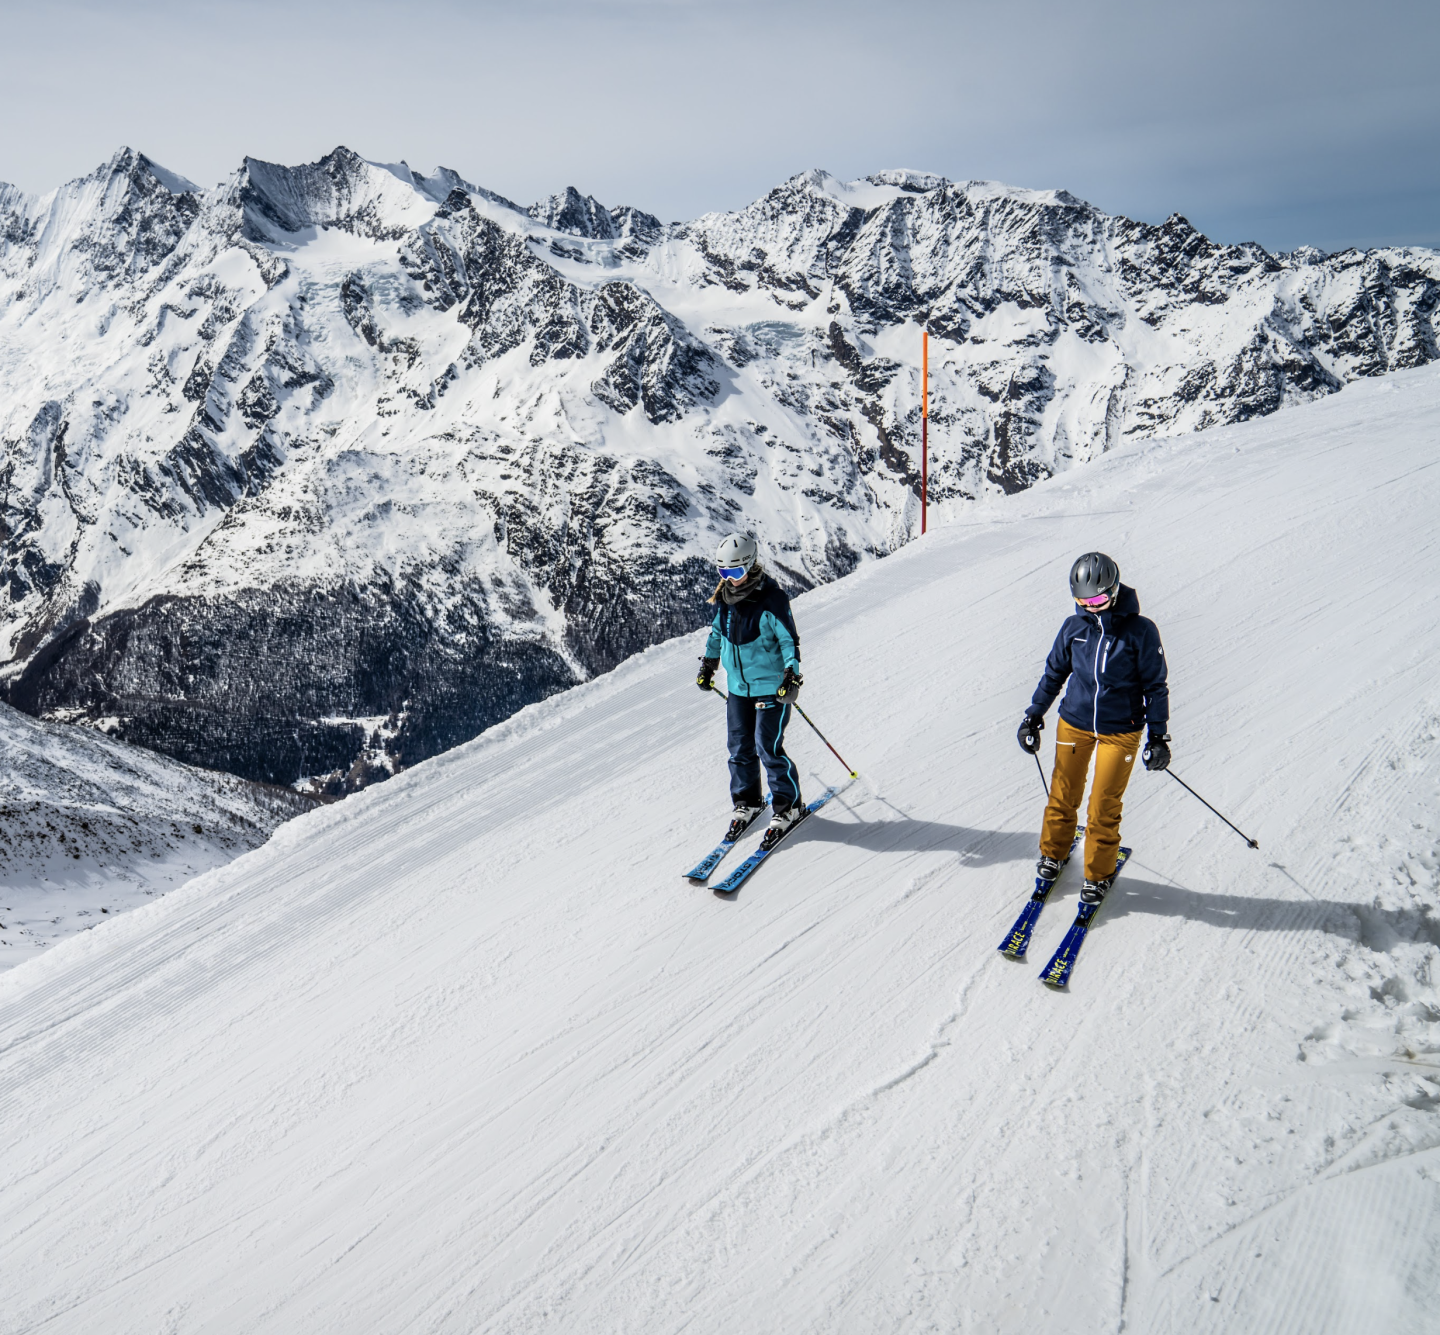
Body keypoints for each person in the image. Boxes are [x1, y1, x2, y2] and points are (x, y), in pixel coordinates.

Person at [1017, 552, 1171, 904]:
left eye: (1099, 600)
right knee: (1063, 794)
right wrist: (1034, 715)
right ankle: (1052, 854)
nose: (1093, 608)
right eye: (1083, 602)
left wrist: (1158, 736)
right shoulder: (1074, 628)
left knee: (1103, 806)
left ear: (1115, 591)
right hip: (1075, 723)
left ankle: (1098, 875)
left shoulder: (1140, 632)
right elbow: (1055, 673)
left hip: (1121, 730)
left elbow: (1155, 686)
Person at [696, 533, 806, 851]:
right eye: (723, 573)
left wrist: (792, 676)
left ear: (750, 566)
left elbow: (789, 641)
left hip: (772, 687)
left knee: (767, 747)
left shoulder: (772, 599)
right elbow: (717, 634)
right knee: (739, 746)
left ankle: (789, 807)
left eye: (735, 573)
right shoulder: (726, 602)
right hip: (738, 689)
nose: (729, 580)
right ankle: (748, 801)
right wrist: (708, 666)